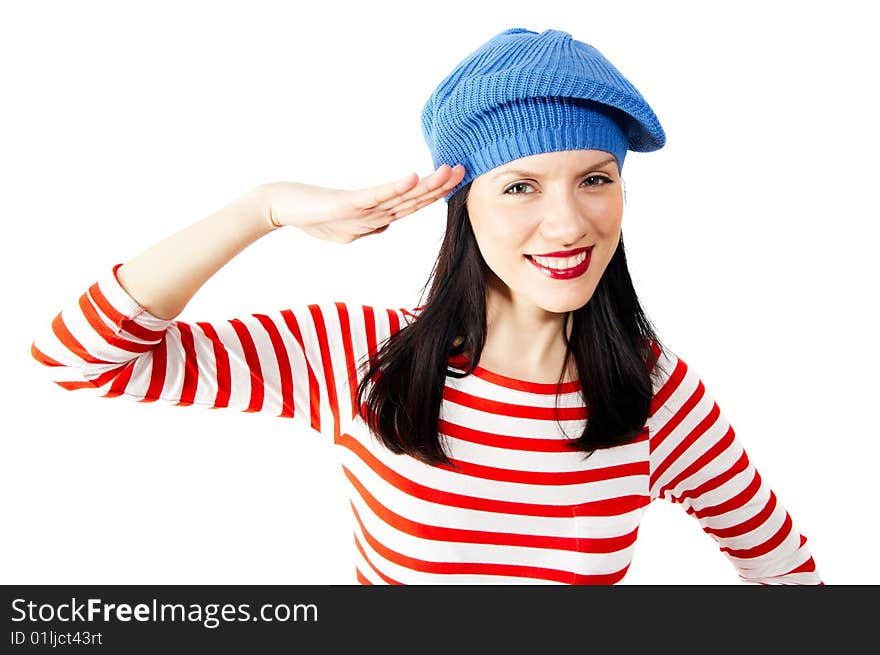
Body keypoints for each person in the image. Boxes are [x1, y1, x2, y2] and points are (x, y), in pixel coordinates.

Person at [30, 27, 821, 584]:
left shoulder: (660, 395)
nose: (569, 223)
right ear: (462, 203)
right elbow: (78, 358)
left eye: (595, 179)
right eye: (519, 187)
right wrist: (262, 207)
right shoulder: (357, 355)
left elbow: (786, 573)